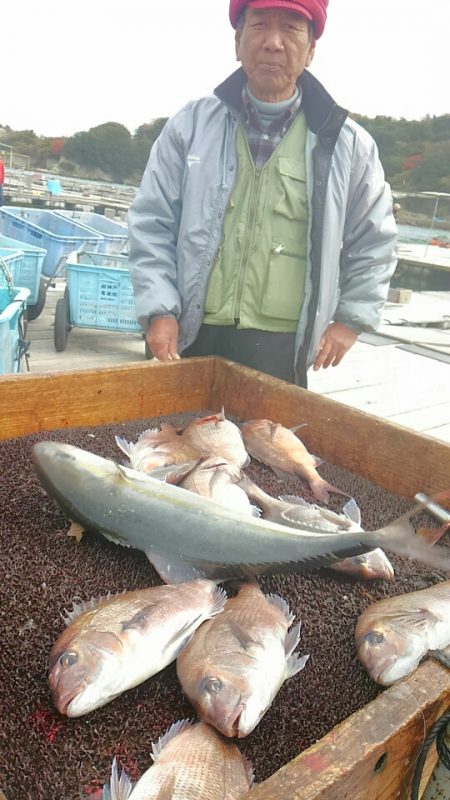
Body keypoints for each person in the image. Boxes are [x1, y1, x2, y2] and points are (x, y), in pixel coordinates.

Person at [128, 0, 397, 387]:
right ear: (237, 41)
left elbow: (375, 241)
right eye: (259, 26)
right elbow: (152, 223)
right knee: (182, 442)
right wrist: (159, 309)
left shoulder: (348, 145)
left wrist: (351, 318)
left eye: (291, 28)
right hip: (192, 333)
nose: (273, 42)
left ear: (311, 50)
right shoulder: (189, 125)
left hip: (283, 345)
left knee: (268, 444)